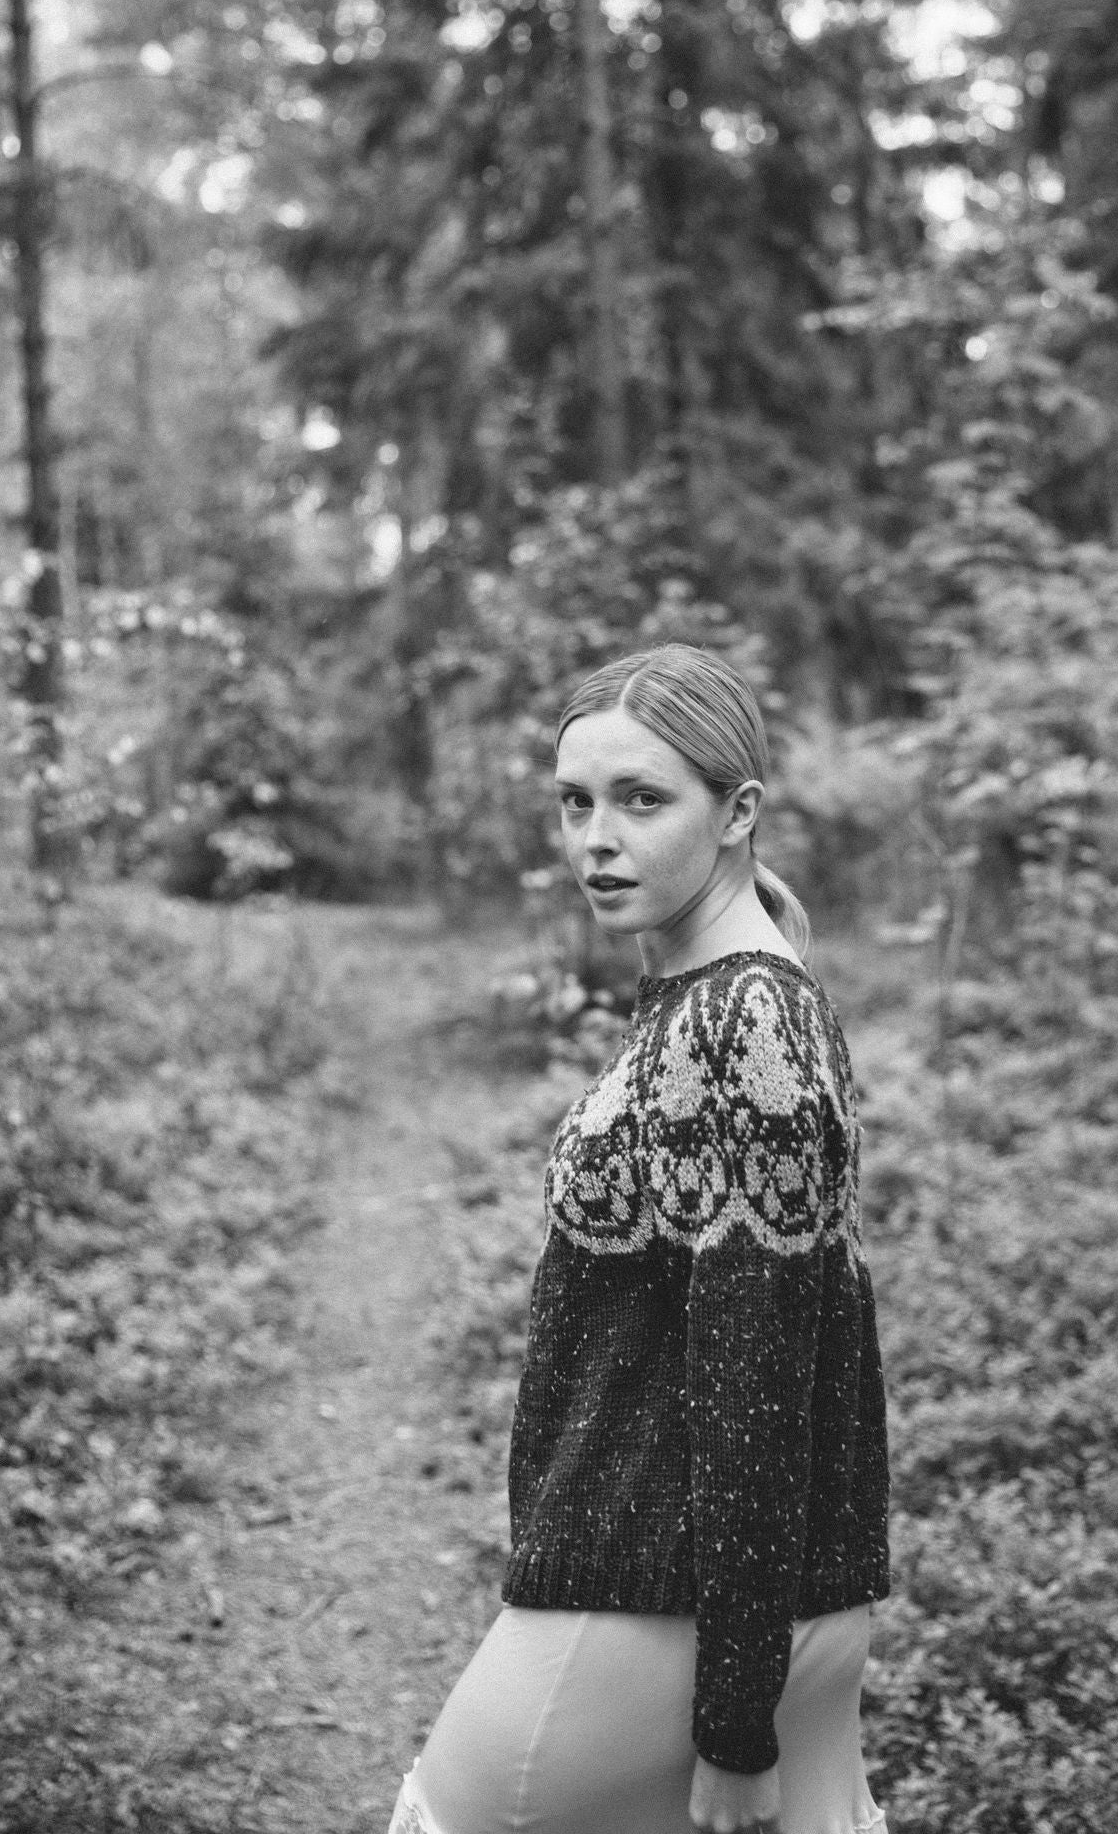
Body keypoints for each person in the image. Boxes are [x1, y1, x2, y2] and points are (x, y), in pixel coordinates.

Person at [388, 642, 891, 1834]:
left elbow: (757, 1387)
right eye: (576, 802)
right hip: (724, 1595)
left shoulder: (744, 1020)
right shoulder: (724, 993)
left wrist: (736, 1726)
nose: (596, 840)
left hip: (665, 1599)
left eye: (642, 799)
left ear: (738, 812)